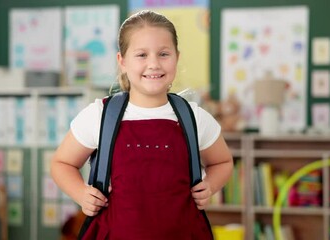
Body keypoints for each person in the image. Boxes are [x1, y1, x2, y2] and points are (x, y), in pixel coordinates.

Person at [51, 10, 233, 240]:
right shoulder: (100, 115)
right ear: (122, 61)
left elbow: (223, 162)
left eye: (164, 54)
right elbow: (61, 163)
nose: (154, 64)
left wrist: (210, 186)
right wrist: (80, 193)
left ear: (177, 57)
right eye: (142, 55)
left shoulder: (193, 117)